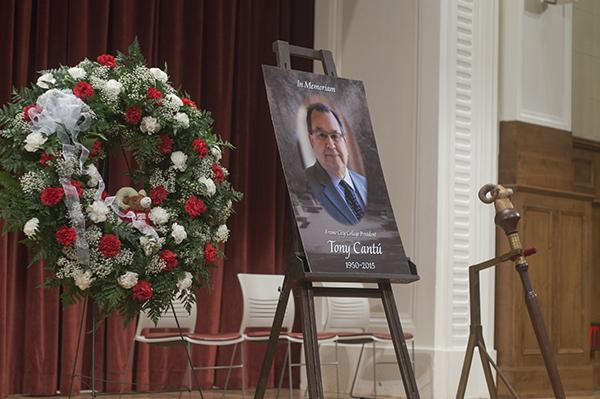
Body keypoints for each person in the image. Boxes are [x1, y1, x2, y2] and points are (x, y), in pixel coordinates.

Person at [304, 103, 367, 225]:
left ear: (345, 140)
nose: (331, 144)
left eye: (335, 136)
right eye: (321, 135)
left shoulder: (363, 183)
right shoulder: (304, 183)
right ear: (311, 141)